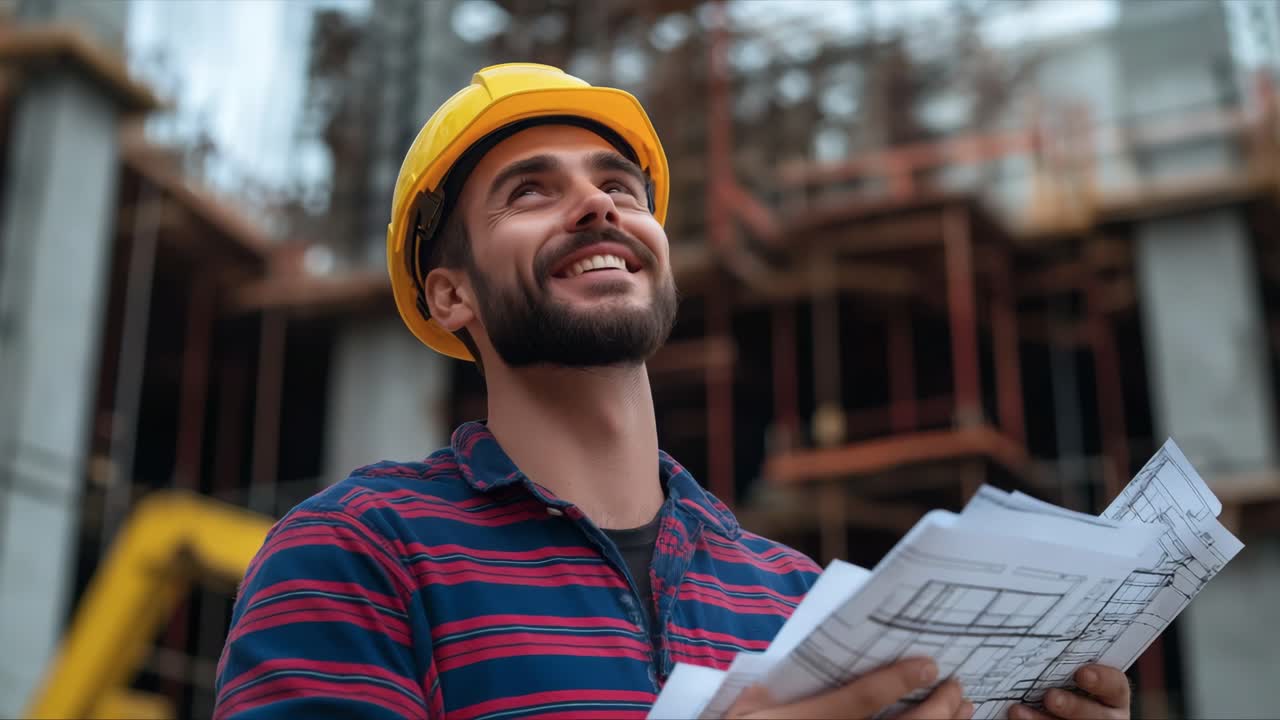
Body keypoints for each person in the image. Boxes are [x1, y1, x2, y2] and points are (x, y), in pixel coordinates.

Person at [213, 64, 1131, 720]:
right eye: (530, 192)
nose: (598, 206)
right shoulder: (358, 553)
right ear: (451, 294)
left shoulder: (796, 601)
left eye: (619, 186)